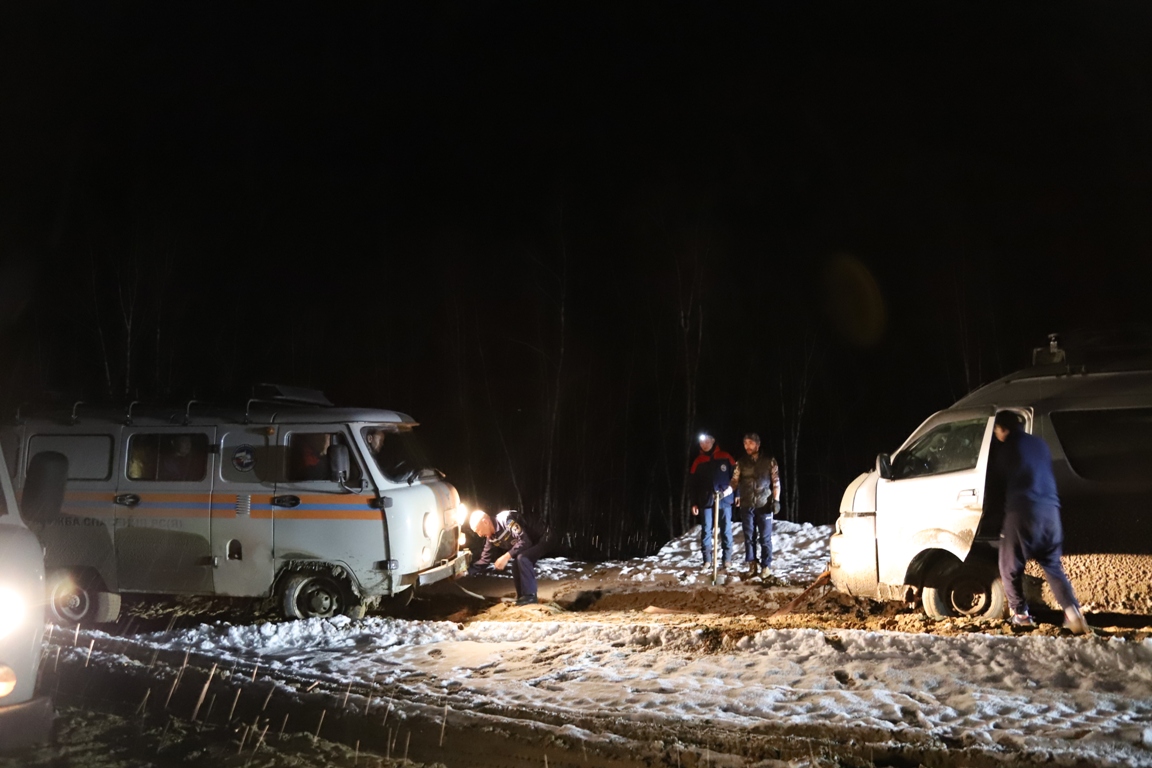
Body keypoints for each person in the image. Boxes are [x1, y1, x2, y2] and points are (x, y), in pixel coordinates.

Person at [992, 411, 1090, 634]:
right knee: (1053, 567)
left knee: (1009, 567)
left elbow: (998, 487)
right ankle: (1073, 613)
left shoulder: (1007, 449)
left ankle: (1021, 615)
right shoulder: (1040, 445)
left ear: (1001, 428)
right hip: (1051, 514)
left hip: (1022, 513)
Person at [468, 509, 550, 605]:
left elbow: (525, 541)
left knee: (522, 558)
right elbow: (484, 560)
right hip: (532, 542)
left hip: (544, 537)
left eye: (478, 530)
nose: (480, 534)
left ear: (485, 522)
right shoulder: (491, 537)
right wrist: (466, 572)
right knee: (515, 564)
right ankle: (522, 597)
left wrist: (506, 557)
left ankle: (530, 597)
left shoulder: (506, 520)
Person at [731, 432, 780, 579]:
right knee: (749, 537)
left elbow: (776, 481)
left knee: (765, 537)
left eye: (750, 443)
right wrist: (724, 492)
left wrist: (776, 500)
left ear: (757, 444)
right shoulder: (741, 463)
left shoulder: (769, 461)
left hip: (764, 503)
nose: (747, 446)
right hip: (747, 504)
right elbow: (734, 481)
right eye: (745, 443)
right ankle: (752, 564)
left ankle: (766, 566)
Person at [689, 431, 736, 567]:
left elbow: (735, 478)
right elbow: (693, 484)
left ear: (713, 440)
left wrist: (737, 494)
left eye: (707, 441)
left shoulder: (725, 457)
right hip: (706, 501)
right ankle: (707, 560)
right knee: (706, 530)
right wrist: (694, 503)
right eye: (701, 442)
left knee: (726, 529)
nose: (704, 444)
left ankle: (727, 559)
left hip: (724, 499)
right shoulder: (698, 461)